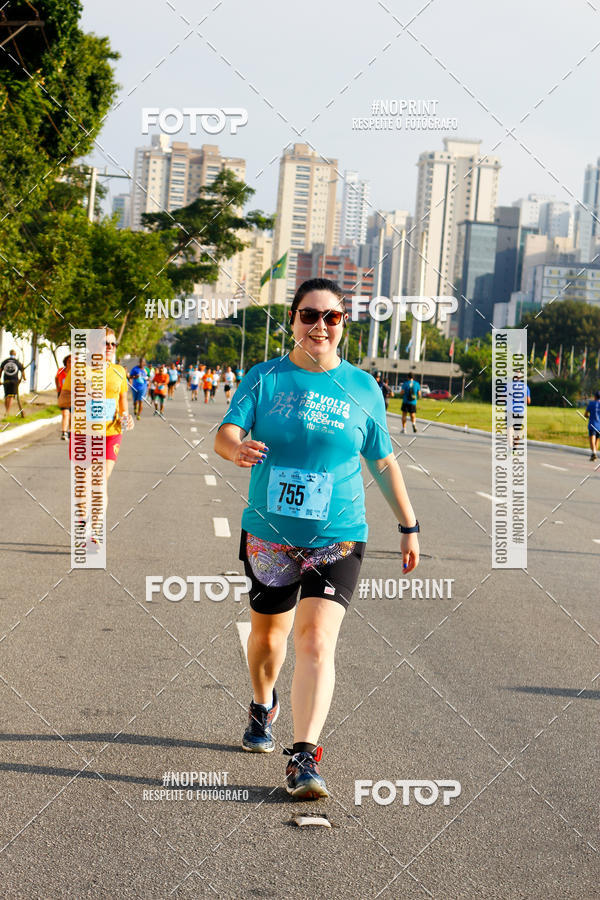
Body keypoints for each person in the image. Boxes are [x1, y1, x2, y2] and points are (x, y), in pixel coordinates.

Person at [214, 278, 419, 801]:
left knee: (314, 640)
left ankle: (304, 756)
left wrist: (408, 524)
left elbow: (382, 460)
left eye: (332, 317)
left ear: (343, 324)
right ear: (292, 320)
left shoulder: (363, 388)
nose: (320, 326)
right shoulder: (265, 378)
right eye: (309, 315)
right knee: (267, 639)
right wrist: (235, 449)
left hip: (339, 535)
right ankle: (264, 704)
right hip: (269, 535)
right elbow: (226, 431)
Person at [58, 328, 133, 545]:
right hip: (82, 434)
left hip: (110, 434)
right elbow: (62, 400)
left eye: (113, 344)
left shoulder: (119, 371)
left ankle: (95, 529)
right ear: (92, 346)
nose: (110, 348)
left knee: (99, 482)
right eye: (105, 343)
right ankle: (83, 526)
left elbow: (123, 403)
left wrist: (126, 418)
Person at [1, 349, 25, 418]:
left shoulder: (5, 361)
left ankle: (6, 410)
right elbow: (22, 370)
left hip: (6, 380)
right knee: (11, 397)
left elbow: (0, 370)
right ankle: (7, 412)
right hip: (14, 381)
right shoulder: (17, 362)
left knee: (7, 396)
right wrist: (24, 378)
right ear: (15, 354)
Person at [55, 354, 71, 439]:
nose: (71, 364)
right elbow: (56, 378)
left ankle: (71, 431)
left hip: (73, 395)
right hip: (63, 394)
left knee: (72, 414)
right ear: (66, 362)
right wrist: (58, 389)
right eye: (69, 362)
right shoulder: (61, 370)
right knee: (65, 413)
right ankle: (64, 432)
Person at [585, 390, 600, 461]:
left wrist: (588, 417)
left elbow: (586, 414)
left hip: (593, 424)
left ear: (595, 397)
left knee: (592, 440)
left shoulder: (591, 403)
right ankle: (594, 454)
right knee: (597, 440)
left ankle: (593, 453)